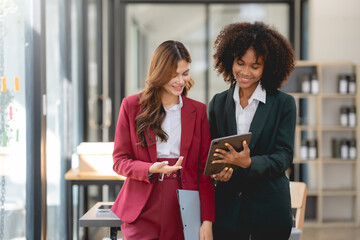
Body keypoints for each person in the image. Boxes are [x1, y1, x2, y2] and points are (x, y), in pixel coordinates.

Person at [111, 40, 215, 240]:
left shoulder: (198, 111)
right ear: (159, 73)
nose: (180, 81)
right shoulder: (131, 106)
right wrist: (150, 169)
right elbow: (119, 161)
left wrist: (207, 221)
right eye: (173, 75)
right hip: (142, 204)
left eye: (184, 73)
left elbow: (204, 171)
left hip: (183, 204)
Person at [208, 22, 296, 240]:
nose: (245, 73)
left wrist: (249, 163)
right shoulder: (218, 103)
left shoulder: (284, 104)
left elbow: (284, 155)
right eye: (240, 63)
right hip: (227, 212)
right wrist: (217, 171)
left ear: (268, 67)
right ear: (230, 61)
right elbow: (211, 152)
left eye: (255, 67)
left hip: (269, 212)